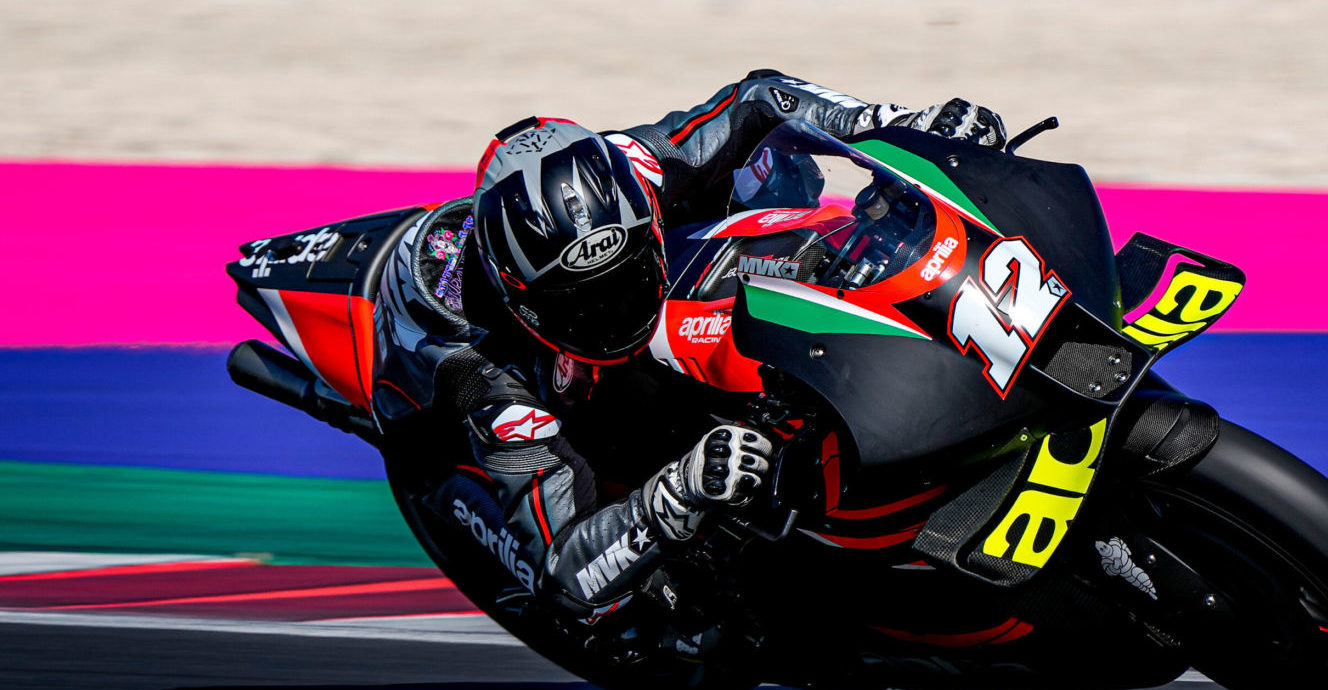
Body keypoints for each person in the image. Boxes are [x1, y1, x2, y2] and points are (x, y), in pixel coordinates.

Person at [411, 71, 1007, 653]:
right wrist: (677, 492)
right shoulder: (486, 376)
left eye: (627, 280)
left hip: (687, 289)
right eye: (586, 304)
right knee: (643, 613)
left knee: (771, 185)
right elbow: (564, 573)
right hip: (581, 416)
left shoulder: (638, 168)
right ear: (529, 306)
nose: (617, 311)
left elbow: (757, 99)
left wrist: (896, 125)